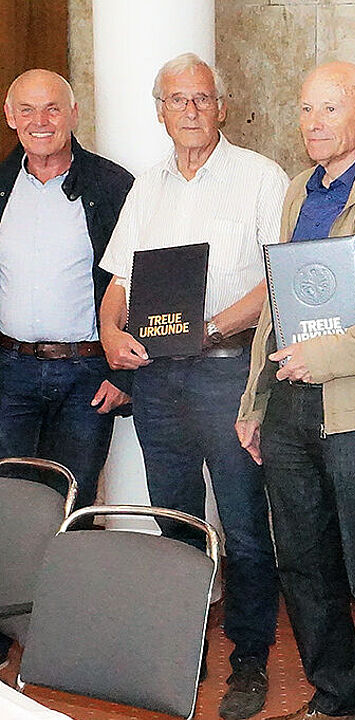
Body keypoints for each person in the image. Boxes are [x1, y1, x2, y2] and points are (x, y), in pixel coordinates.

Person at [98, 52, 288, 720]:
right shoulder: (146, 187)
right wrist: (108, 334)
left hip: (228, 373)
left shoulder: (262, 178)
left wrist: (209, 328)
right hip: (156, 382)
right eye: (176, 100)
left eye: (201, 99)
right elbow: (119, 282)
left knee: (243, 524)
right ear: (160, 111)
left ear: (222, 106)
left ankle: (249, 660)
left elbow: (276, 279)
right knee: (173, 517)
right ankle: (180, 645)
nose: (190, 110)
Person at [235, 62, 355, 720]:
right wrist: (255, 401)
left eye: (331, 109)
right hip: (288, 404)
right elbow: (278, 307)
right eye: (307, 109)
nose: (315, 123)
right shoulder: (293, 191)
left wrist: (328, 357)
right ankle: (334, 693)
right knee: (304, 564)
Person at [0, 68, 133, 670]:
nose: (40, 121)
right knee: (8, 507)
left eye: (52, 108)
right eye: (27, 110)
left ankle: (62, 641)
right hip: (11, 372)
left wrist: (123, 371)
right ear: (10, 117)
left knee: (72, 508)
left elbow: (138, 284)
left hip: (86, 374)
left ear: (74, 114)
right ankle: (6, 632)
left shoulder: (113, 185)